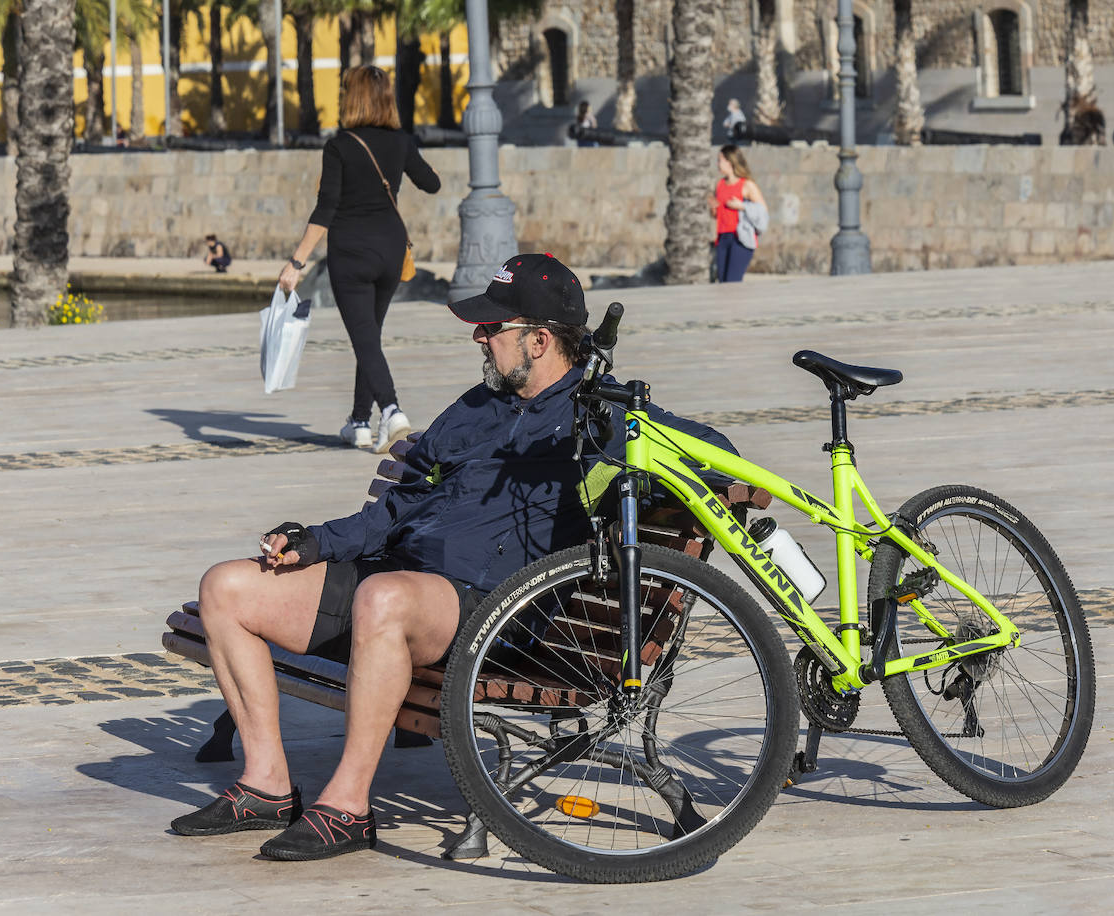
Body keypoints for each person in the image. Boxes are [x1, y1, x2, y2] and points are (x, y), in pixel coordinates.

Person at [168, 253, 736, 861]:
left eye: (492, 329)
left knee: (382, 599)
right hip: (395, 582)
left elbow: (718, 452)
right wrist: (311, 542)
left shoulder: (598, 416)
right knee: (226, 587)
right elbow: (397, 505)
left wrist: (632, 439)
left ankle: (349, 807)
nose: (479, 337)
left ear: (539, 340)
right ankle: (267, 786)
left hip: (494, 610)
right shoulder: (476, 407)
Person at [278, 65, 441, 454]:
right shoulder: (399, 141)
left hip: (351, 251)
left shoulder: (340, 146)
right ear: (387, 99)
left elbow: (326, 208)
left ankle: (392, 411)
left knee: (365, 338)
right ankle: (358, 422)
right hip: (390, 249)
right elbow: (431, 183)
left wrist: (296, 263)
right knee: (368, 337)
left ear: (351, 98)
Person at [711, 145, 766, 283]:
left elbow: (762, 210)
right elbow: (717, 215)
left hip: (740, 238)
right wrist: (713, 208)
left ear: (730, 161)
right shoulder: (720, 184)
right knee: (722, 282)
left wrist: (741, 206)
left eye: (720, 160)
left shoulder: (746, 185)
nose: (717, 164)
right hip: (722, 237)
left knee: (732, 282)